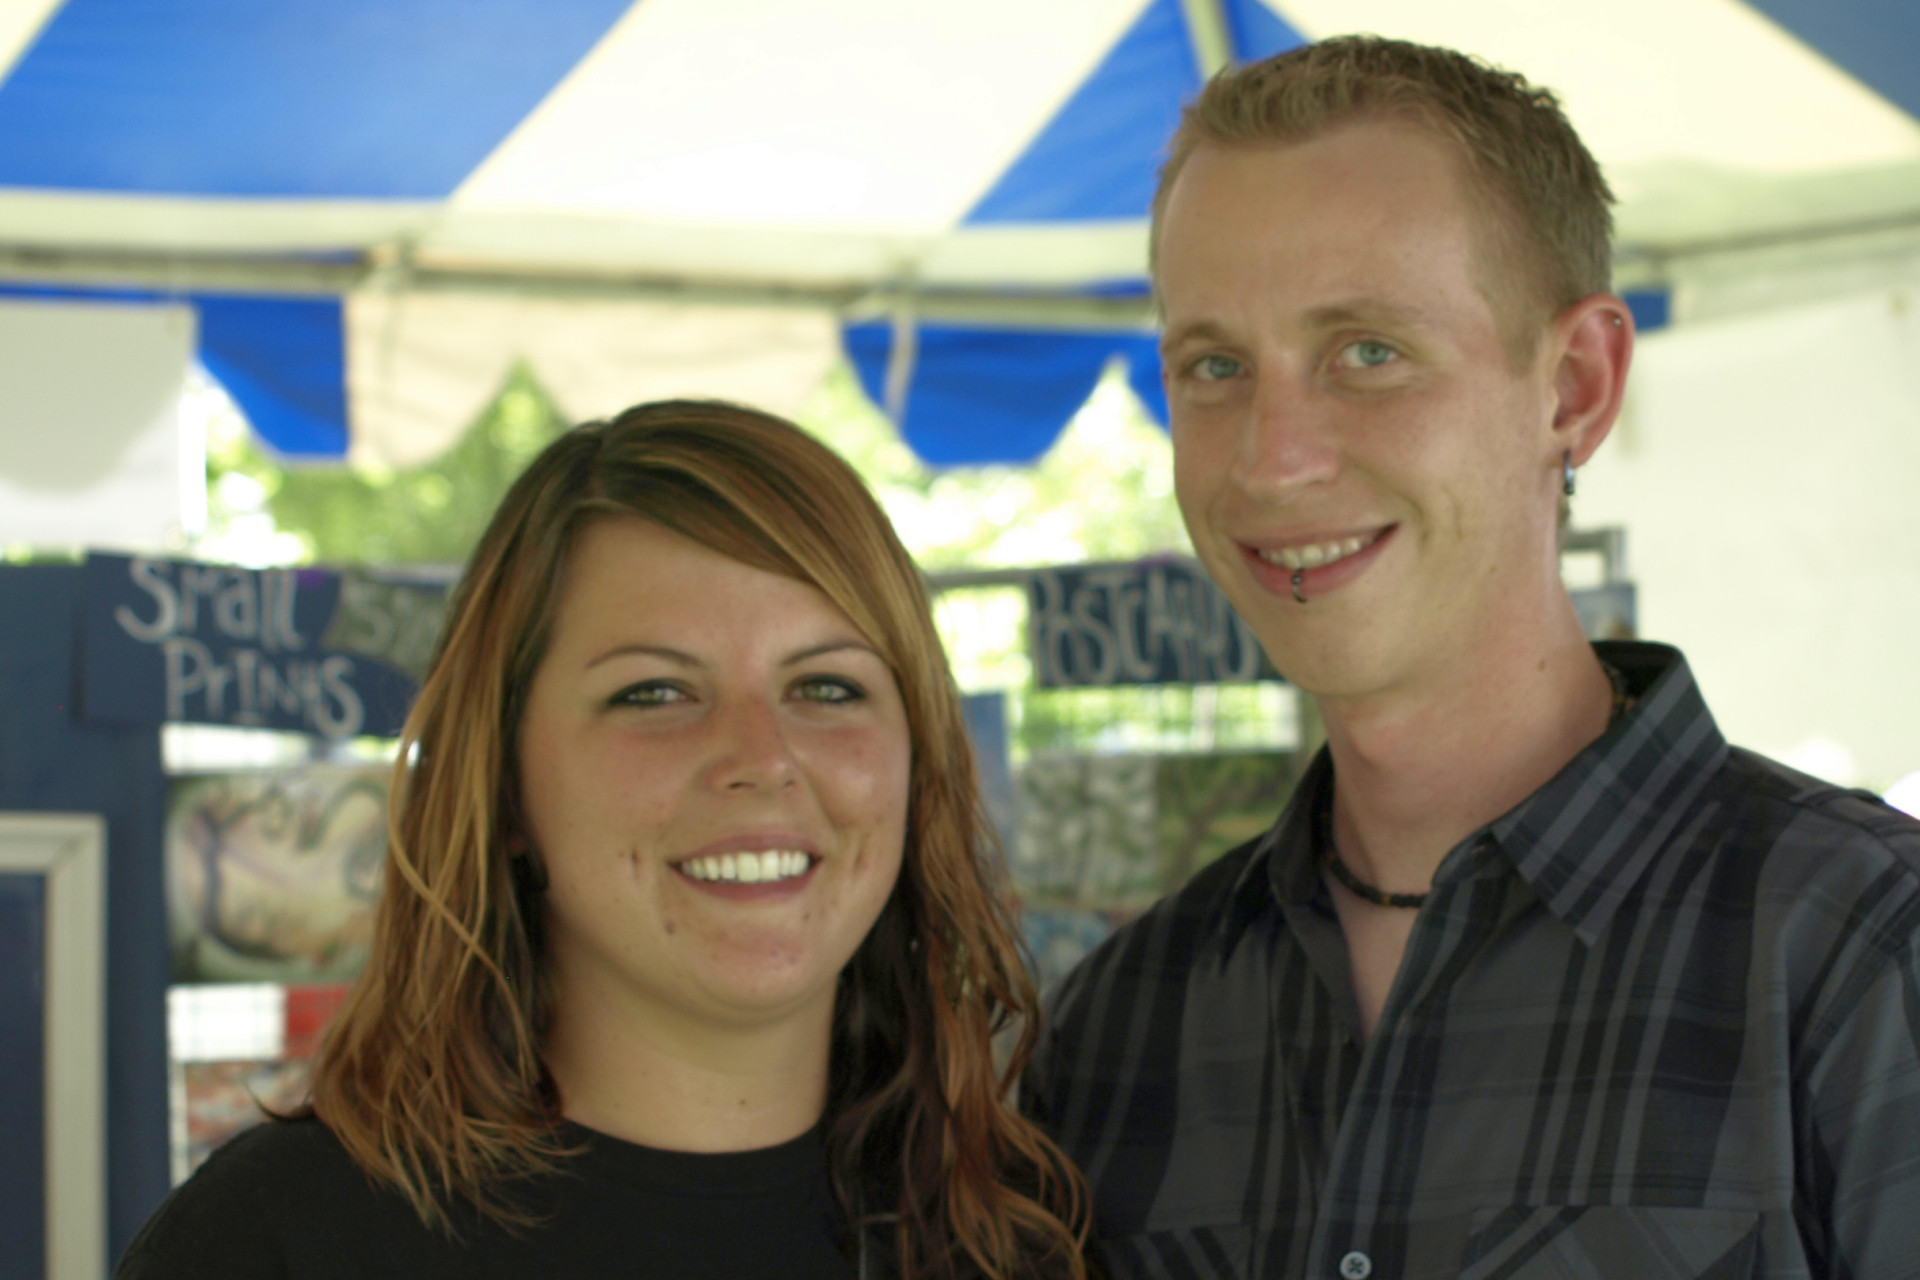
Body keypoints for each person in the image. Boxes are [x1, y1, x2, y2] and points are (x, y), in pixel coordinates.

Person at [1023, 36, 1920, 1279]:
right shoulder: (1120, 1022)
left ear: (1575, 387)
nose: (1271, 458)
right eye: (1214, 366)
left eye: (1368, 351)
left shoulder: (1866, 949)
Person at [121, 400, 1091, 1279]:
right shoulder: (279, 1241)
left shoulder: (1016, 1236)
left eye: (827, 686)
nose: (762, 756)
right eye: (654, 692)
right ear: (501, 787)